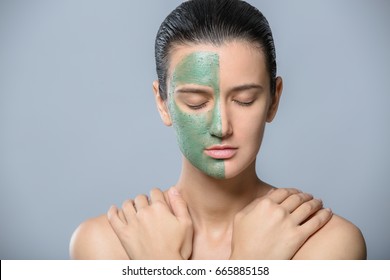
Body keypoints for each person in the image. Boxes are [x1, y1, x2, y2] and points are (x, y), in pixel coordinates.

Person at [69, 0, 366, 260]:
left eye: (244, 100)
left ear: (274, 100)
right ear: (162, 103)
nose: (221, 127)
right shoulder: (104, 244)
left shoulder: (324, 243)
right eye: (196, 103)